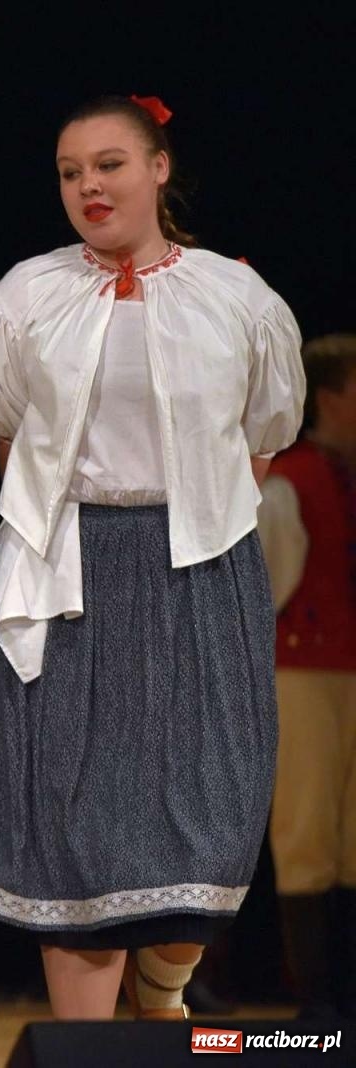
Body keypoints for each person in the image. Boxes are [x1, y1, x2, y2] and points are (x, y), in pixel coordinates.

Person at [0, 95, 305, 1021]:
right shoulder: (25, 296)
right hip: (69, 570)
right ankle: (90, 1049)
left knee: (209, 813)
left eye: (109, 164)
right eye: (70, 172)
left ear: (157, 169)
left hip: (198, 567)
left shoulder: (235, 296)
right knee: (76, 824)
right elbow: (7, 428)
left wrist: (180, 510)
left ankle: (163, 989)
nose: (88, 186)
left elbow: (263, 437)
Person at [256, 334, 356, 1019]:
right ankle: (317, 1003)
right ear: (330, 399)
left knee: (352, 839)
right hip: (304, 675)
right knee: (308, 832)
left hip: (345, 673)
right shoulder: (289, 483)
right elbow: (267, 592)